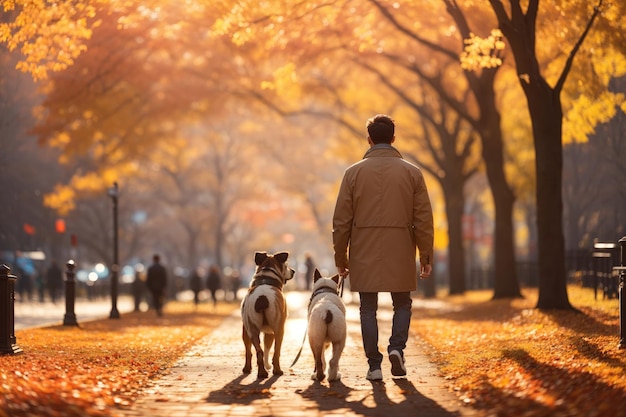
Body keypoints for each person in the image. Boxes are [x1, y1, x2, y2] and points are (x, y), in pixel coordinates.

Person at [332, 114, 434, 381]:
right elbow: (423, 218)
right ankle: (397, 348)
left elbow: (342, 220)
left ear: (369, 139)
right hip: (401, 245)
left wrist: (340, 256)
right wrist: (425, 254)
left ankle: (374, 365)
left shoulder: (352, 173)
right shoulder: (412, 173)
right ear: (393, 138)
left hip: (364, 247)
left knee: (367, 307)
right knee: (402, 303)